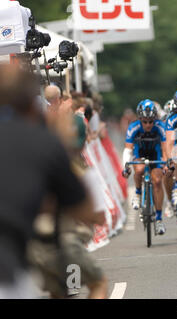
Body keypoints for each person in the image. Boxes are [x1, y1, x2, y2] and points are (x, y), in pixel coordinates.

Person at [0, 64, 95, 298]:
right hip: (13, 262)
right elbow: (82, 207)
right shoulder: (50, 133)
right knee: (69, 233)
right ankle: (72, 281)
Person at [122, 99, 168, 235]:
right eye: (145, 121)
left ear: (155, 119)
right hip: (139, 153)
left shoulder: (160, 126)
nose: (148, 124)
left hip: (156, 153)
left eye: (150, 121)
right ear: (140, 119)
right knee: (140, 169)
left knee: (158, 181)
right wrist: (126, 166)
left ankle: (159, 219)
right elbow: (128, 150)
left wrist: (166, 163)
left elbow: (166, 148)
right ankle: (137, 192)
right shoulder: (133, 127)